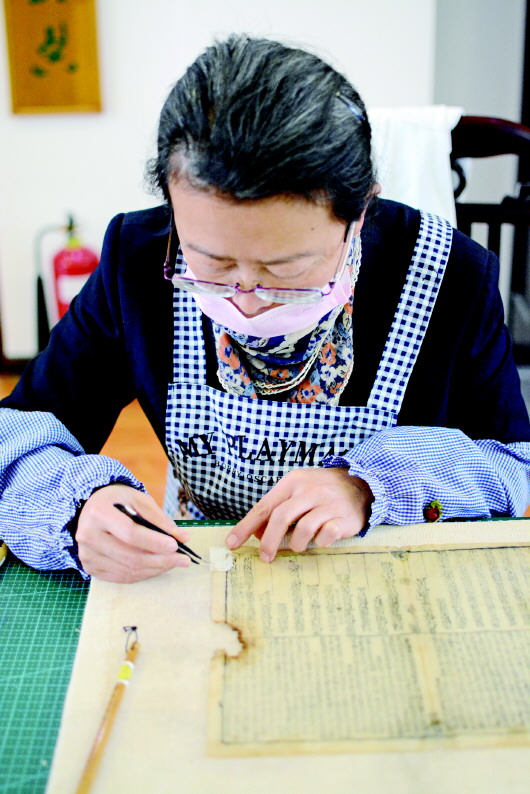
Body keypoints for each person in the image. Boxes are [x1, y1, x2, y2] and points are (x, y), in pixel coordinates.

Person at [1, 35, 530, 583]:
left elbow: (512, 465)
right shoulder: (137, 260)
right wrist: (75, 508)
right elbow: (17, 428)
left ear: (358, 214)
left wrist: (371, 486)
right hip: (200, 564)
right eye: (212, 262)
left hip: (379, 572)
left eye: (285, 269)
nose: (247, 299)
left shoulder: (448, 275)